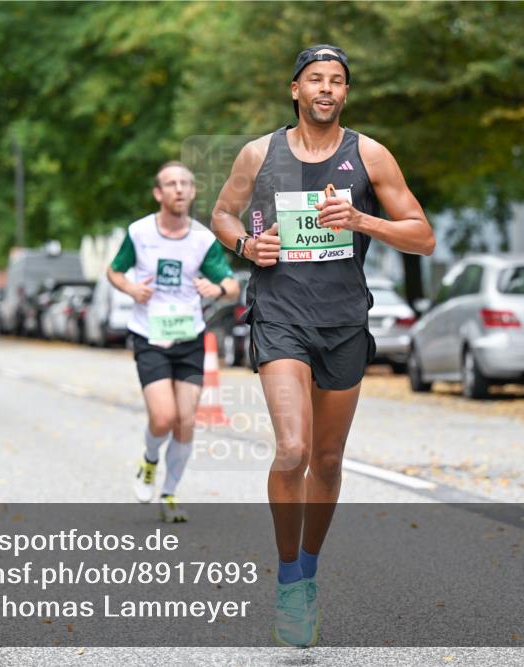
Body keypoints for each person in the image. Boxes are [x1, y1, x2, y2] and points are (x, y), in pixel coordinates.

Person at [210, 45, 435, 647]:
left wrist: (362, 221)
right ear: (296, 89)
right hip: (280, 314)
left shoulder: (370, 155)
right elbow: (224, 214)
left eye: (337, 80)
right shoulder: (259, 153)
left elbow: (423, 237)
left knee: (328, 461)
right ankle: (289, 580)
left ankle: (308, 567)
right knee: (293, 449)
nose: (326, 89)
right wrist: (246, 245)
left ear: (345, 93)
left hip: (342, 321)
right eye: (316, 79)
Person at [108, 161, 240, 523]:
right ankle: (149, 460)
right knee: (164, 416)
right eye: (171, 183)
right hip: (149, 335)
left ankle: (168, 493)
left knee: (185, 421)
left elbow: (231, 285)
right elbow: (114, 271)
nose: (179, 189)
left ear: (193, 192)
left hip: (189, 337)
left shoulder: (202, 239)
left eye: (185, 183)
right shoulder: (139, 233)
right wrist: (131, 288)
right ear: (158, 193)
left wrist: (217, 289)